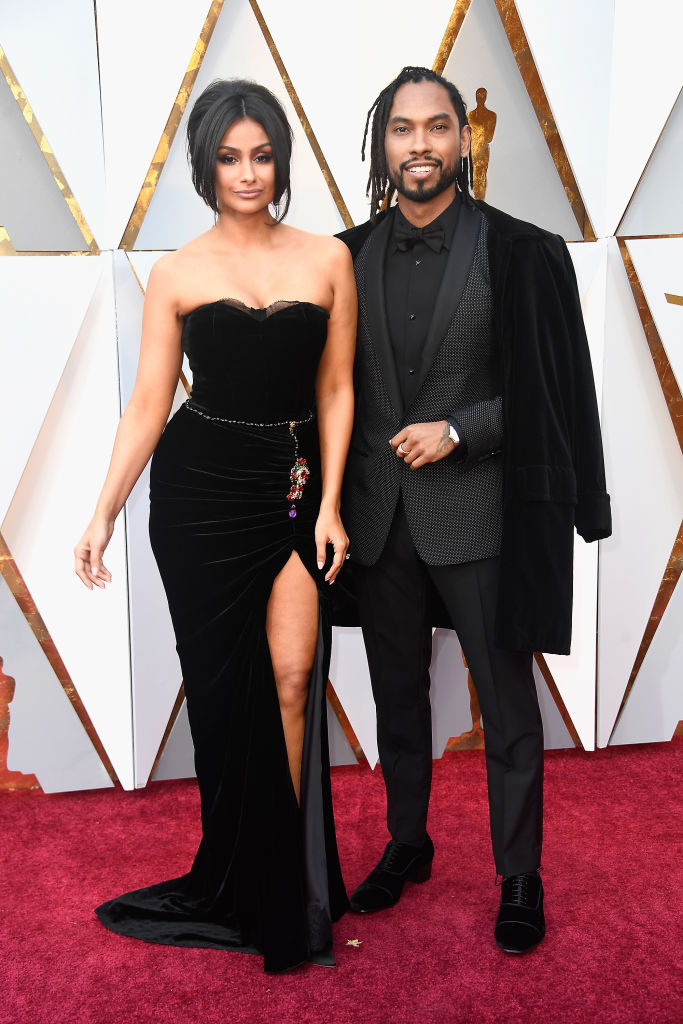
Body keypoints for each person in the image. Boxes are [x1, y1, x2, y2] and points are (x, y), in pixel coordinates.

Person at [74, 79, 356, 973]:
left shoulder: (327, 259)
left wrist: (333, 503)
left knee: (293, 676)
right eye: (230, 157)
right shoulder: (176, 272)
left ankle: (288, 881)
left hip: (295, 488)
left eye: (262, 155)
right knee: (222, 693)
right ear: (204, 167)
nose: (248, 172)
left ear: (281, 161)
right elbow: (148, 404)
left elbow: (337, 389)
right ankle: (242, 875)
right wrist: (103, 509)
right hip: (197, 495)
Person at [336, 66, 611, 954]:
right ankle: (406, 843)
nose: (419, 144)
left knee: (506, 703)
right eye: (402, 129)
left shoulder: (520, 251)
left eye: (436, 127)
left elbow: (548, 386)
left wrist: (461, 428)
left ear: (463, 138)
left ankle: (519, 875)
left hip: (479, 515)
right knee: (395, 696)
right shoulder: (341, 255)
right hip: (378, 517)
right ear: (382, 144)